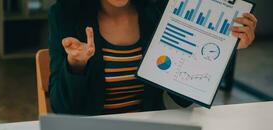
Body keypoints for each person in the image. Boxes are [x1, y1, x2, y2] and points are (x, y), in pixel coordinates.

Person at [48, 0, 257, 115]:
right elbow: (63, 108)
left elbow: (183, 98)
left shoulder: (161, 8)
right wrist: (76, 63)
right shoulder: (65, 13)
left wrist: (228, 47)